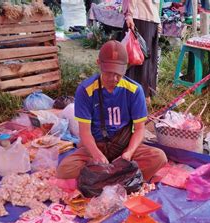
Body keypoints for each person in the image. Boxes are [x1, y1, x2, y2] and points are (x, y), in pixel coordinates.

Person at [57, 40, 167, 182]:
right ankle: (121, 179)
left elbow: (139, 129)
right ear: (98, 64)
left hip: (123, 146)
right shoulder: (85, 90)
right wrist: (97, 155)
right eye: (108, 73)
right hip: (97, 146)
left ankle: (103, 180)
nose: (113, 78)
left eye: (118, 74)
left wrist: (129, 153)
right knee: (64, 170)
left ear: (125, 68)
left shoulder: (134, 90)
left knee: (159, 157)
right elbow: (85, 132)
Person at [122, 0, 161, 105]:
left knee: (136, 58)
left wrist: (129, 14)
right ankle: (145, 94)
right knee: (145, 58)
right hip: (150, 18)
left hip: (139, 17)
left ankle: (138, 96)